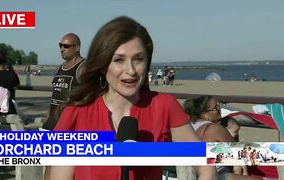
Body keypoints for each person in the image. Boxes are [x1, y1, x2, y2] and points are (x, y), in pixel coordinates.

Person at [45, 16, 217, 180]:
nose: (131, 70)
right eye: (119, 60)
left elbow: (206, 166)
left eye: (138, 59)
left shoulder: (165, 106)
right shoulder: (76, 114)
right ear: (102, 64)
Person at [184, 95, 259, 180]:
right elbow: (238, 152)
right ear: (205, 115)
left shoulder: (189, 125)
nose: (219, 109)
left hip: (191, 173)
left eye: (218, 105)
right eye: (215, 108)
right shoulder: (215, 129)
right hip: (213, 175)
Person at [42, 33, 85, 130]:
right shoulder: (59, 68)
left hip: (70, 125)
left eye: (66, 46)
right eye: (60, 45)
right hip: (52, 122)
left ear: (77, 48)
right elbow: (55, 94)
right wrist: (48, 114)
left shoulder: (83, 68)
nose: (62, 49)